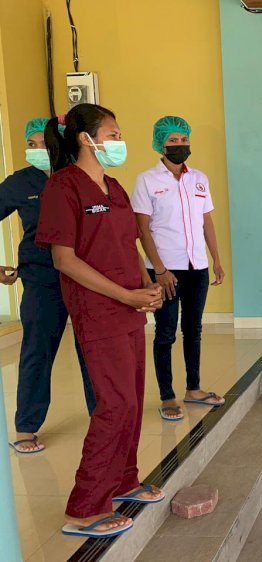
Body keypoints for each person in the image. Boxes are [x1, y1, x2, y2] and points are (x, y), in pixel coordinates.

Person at [36, 103, 165, 538]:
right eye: (111, 134)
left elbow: (129, 244)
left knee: (133, 397)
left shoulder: (114, 187)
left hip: (129, 307)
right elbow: (64, 259)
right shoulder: (63, 187)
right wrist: (126, 294)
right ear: (84, 138)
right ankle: (86, 506)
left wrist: (146, 286)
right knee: (116, 404)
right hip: (98, 311)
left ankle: (124, 481)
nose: (118, 141)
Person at [1, 117, 95, 454]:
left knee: (93, 351)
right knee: (37, 352)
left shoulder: (79, 177)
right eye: (31, 144)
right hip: (41, 279)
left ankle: (102, 420)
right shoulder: (19, 183)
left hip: (84, 277)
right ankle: (26, 426)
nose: (38, 150)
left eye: (44, 143)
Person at [131, 116, 225, 422]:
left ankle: (193, 389)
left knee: (193, 329)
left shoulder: (199, 178)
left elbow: (206, 221)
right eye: (173, 141)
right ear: (161, 144)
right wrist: (158, 270)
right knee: (165, 332)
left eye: (184, 140)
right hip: (166, 269)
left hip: (196, 265)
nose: (180, 145)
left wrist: (216, 259)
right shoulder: (147, 180)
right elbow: (142, 228)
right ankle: (167, 396)